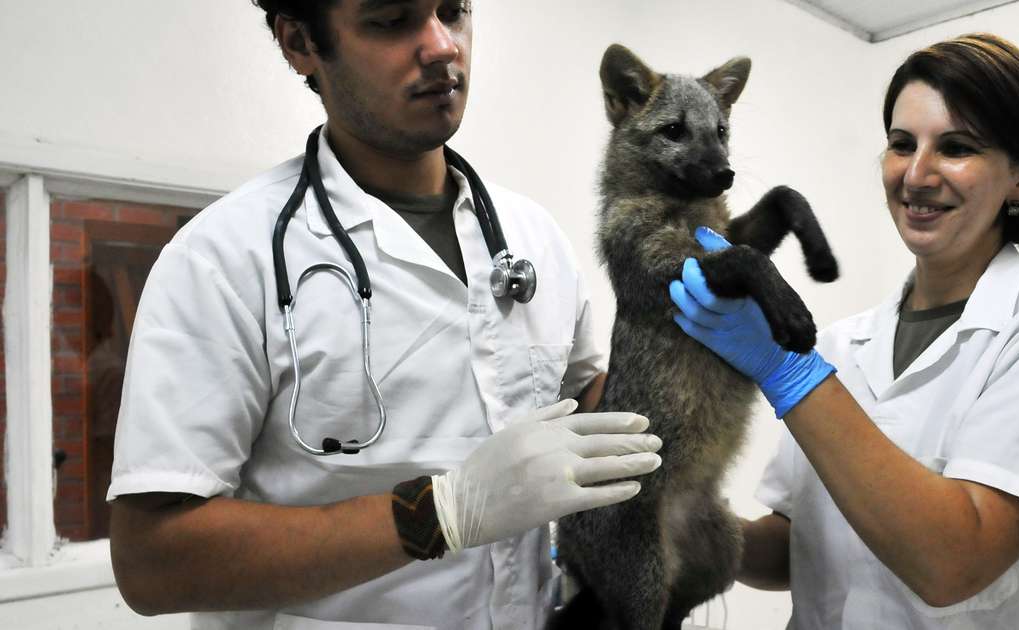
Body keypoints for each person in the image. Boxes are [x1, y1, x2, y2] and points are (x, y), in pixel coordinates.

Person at [106, 1, 664, 628]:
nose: (441, 46)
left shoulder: (532, 237)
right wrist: (440, 513)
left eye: (452, 11)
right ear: (300, 42)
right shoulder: (224, 257)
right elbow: (151, 562)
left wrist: (687, 346)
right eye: (392, 20)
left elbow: (592, 411)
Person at [671, 33, 1019, 629]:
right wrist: (680, 523)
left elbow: (953, 563)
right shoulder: (838, 344)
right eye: (901, 144)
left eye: (956, 147)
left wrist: (787, 372)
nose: (915, 175)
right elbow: (796, 548)